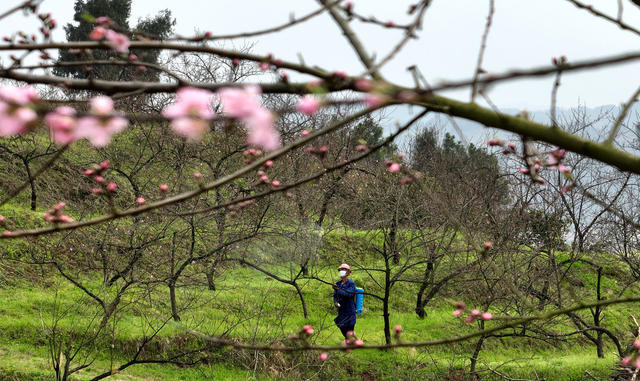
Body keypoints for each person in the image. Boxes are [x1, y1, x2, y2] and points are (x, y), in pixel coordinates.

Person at [332, 263, 357, 338]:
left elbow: (348, 294)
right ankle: (351, 340)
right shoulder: (338, 283)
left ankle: (351, 342)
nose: (342, 271)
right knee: (340, 323)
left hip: (349, 309)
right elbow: (335, 295)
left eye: (344, 270)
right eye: (341, 270)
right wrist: (335, 302)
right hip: (341, 309)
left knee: (349, 328)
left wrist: (338, 289)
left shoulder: (351, 284)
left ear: (348, 272)